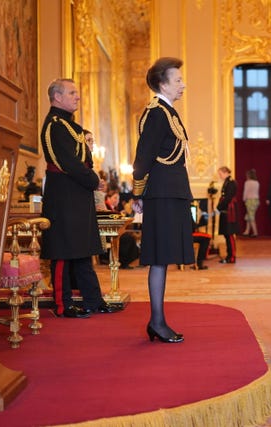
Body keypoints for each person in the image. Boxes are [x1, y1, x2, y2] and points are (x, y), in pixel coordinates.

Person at [39, 78, 120, 318]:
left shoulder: (73, 127)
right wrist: (94, 180)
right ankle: (62, 305)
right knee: (63, 251)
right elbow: (68, 163)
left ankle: (94, 301)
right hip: (63, 196)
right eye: (72, 93)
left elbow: (85, 158)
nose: (78, 97)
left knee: (83, 250)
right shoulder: (54, 125)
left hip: (78, 194)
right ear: (57, 97)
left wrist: (92, 178)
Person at [132, 57, 195, 343]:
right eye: (178, 80)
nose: (183, 84)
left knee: (164, 259)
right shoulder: (156, 112)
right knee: (159, 258)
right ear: (161, 83)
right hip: (161, 192)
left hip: (172, 189)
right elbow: (144, 154)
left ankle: (157, 320)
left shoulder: (168, 111)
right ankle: (157, 321)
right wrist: (137, 192)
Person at [103, 190, 140, 270]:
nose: (117, 200)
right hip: (106, 233)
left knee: (130, 238)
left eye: (118, 199)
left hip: (114, 231)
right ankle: (123, 261)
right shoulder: (105, 206)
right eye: (115, 198)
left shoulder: (115, 208)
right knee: (128, 239)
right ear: (108, 198)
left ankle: (125, 262)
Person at [216, 166, 239, 263]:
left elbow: (228, 198)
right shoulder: (227, 182)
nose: (220, 176)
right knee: (226, 234)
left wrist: (218, 207)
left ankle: (232, 256)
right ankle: (228, 256)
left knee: (229, 234)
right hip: (225, 211)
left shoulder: (231, 183)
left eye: (220, 174)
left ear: (225, 172)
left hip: (229, 212)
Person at [242, 168, 260, 237]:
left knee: (251, 216)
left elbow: (245, 192)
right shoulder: (256, 182)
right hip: (256, 200)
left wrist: (244, 199)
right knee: (249, 216)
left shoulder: (247, 182)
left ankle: (255, 232)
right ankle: (247, 231)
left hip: (250, 200)